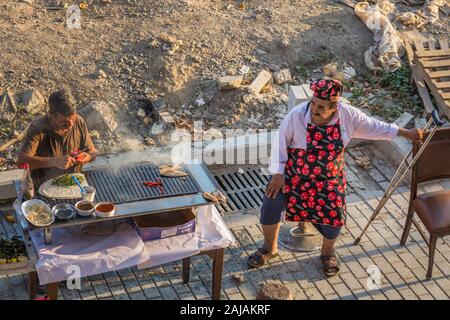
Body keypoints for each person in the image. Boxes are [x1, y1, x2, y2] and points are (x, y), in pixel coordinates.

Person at [247, 78, 423, 277]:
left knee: (335, 215)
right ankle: (270, 248)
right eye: (313, 103)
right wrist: (277, 175)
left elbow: (376, 127)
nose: (314, 109)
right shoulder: (296, 117)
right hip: (294, 177)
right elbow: (279, 145)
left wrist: (406, 133)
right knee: (271, 202)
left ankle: (327, 252)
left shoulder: (348, 116)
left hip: (329, 179)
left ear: (334, 108)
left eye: (321, 106)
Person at [17, 88, 97, 186]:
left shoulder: (79, 121)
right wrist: (54, 161)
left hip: (73, 185)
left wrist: (87, 157)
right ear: (51, 114)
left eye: (73, 119)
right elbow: (22, 162)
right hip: (43, 187)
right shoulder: (38, 128)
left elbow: (92, 152)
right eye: (65, 123)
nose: (71, 125)